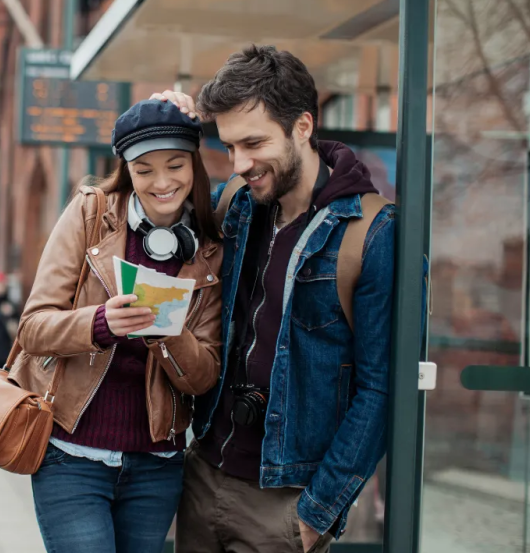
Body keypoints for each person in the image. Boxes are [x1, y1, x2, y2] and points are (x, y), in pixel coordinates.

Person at [152, 45, 395, 553]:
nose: (240, 164)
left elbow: (380, 391)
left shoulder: (371, 234)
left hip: (283, 506)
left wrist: (314, 517)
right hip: (202, 478)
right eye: (230, 146)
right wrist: (162, 123)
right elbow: (152, 224)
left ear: (302, 126)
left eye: (254, 143)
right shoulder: (236, 205)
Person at [12, 99, 224, 553]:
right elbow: (32, 329)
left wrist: (168, 336)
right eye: (144, 169)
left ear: (195, 165)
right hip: (71, 455)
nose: (163, 182)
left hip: (156, 465)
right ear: (126, 170)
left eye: (175, 165)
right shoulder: (91, 214)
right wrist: (101, 323)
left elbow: (205, 375)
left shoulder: (209, 248)